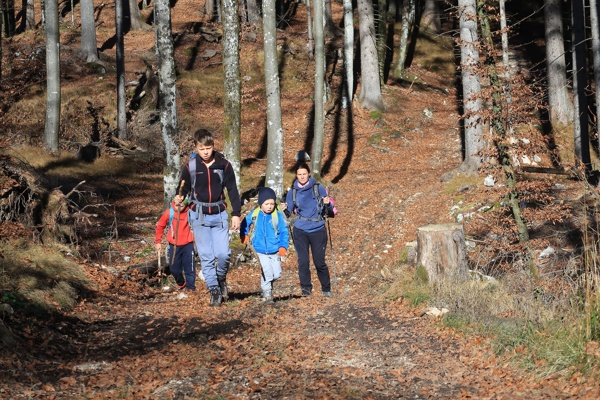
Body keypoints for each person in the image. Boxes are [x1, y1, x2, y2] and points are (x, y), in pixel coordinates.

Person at [174, 129, 242, 306]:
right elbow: (183, 187)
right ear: (196, 147)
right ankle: (213, 290)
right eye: (202, 148)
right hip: (199, 216)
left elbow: (233, 190)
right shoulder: (191, 166)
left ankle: (220, 279)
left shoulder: (224, 165)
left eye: (209, 148)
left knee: (223, 254)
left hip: (219, 214)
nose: (205, 152)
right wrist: (179, 197)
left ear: (213, 146)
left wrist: (236, 214)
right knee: (206, 256)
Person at [282, 162, 333, 297]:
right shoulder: (293, 191)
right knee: (303, 261)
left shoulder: (318, 188)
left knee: (319, 261)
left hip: (318, 229)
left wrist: (328, 204)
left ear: (309, 174)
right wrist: (284, 210)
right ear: (296, 175)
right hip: (300, 230)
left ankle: (326, 289)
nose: (302, 176)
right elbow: (288, 212)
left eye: (304, 174)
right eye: (299, 174)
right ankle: (306, 290)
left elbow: (329, 210)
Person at [240, 187, 289, 304]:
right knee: (267, 272)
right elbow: (244, 224)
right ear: (261, 203)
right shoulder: (255, 214)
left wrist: (283, 247)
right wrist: (244, 235)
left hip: (274, 249)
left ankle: (268, 286)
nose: (269, 206)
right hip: (260, 250)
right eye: (266, 204)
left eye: (272, 203)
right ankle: (267, 293)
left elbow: (284, 232)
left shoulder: (277, 216)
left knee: (277, 274)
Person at [155, 200, 196, 293]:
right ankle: (181, 283)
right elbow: (160, 226)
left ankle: (191, 289)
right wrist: (158, 242)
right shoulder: (169, 213)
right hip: (174, 245)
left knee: (190, 268)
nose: (179, 204)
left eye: (182, 202)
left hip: (188, 244)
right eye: (177, 202)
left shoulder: (191, 212)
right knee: (174, 269)